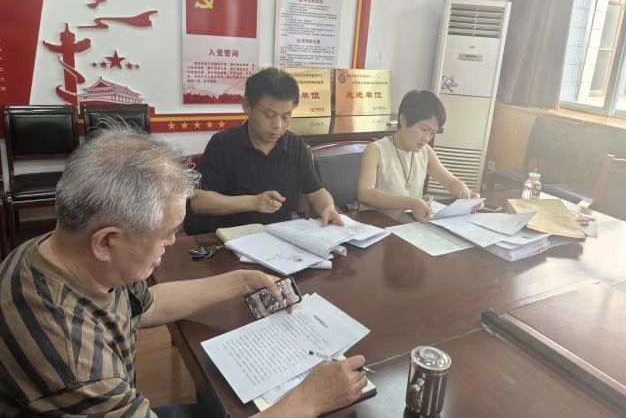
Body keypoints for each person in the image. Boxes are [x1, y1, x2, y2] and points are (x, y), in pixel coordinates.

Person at [0, 127, 367, 417]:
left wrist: (241, 280)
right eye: (165, 234)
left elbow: (146, 305)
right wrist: (308, 401)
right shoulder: (75, 360)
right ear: (107, 241)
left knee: (219, 402)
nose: (172, 242)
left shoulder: (61, 251)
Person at [184, 68, 343, 234]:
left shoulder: (296, 146)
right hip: (233, 237)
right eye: (269, 114)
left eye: (285, 116)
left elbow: (316, 191)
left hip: (281, 236)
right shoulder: (223, 144)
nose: (278, 125)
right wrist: (253, 202)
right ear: (247, 106)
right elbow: (199, 202)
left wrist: (327, 207)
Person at [357, 90, 479, 223]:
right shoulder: (376, 150)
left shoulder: (425, 151)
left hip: (409, 227)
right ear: (403, 120)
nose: (426, 138)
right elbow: (365, 194)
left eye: (432, 133)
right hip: (378, 226)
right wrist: (411, 202)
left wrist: (465, 193)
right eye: (424, 129)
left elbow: (450, 182)